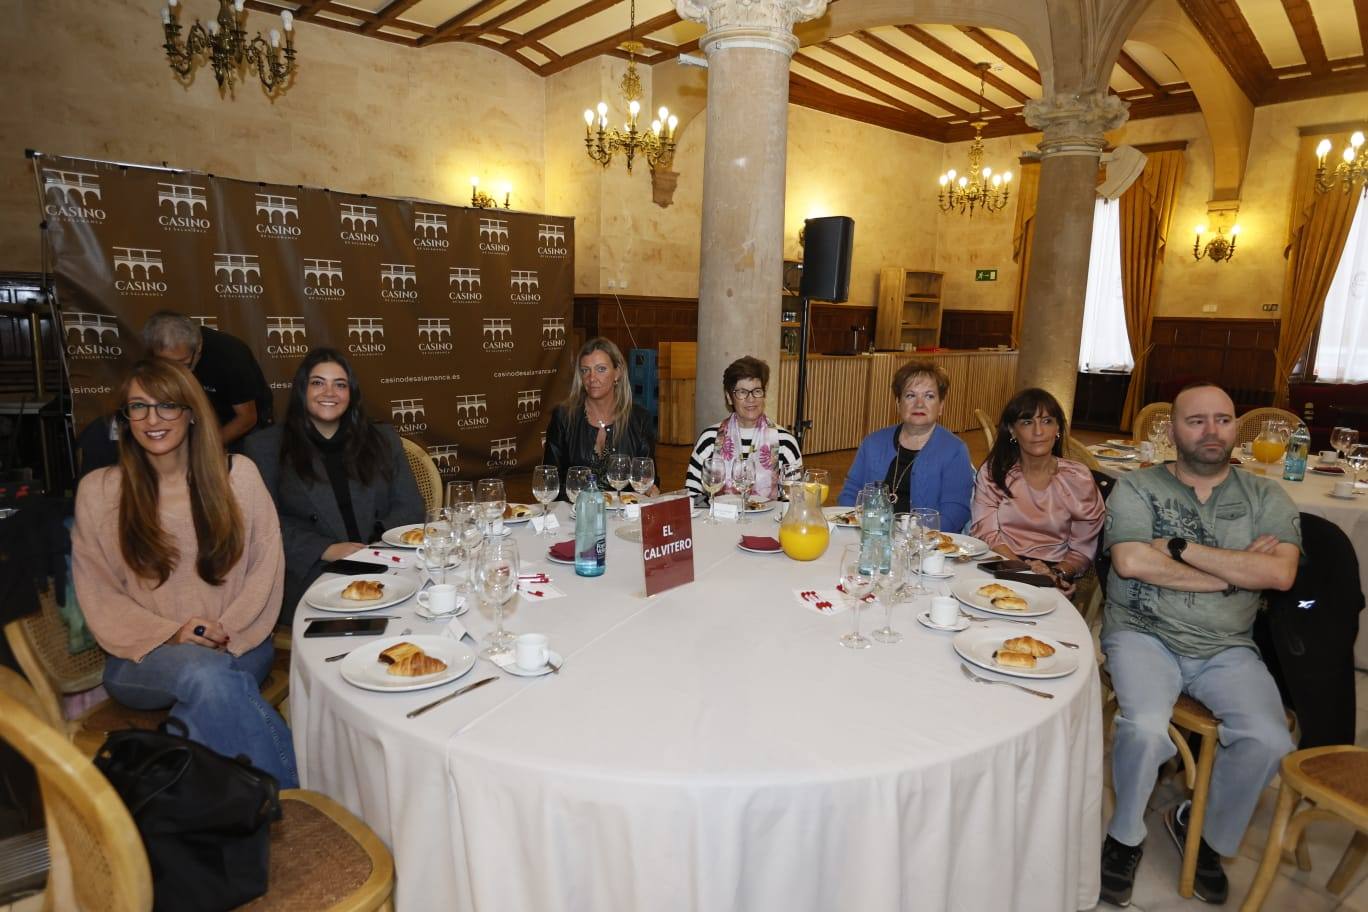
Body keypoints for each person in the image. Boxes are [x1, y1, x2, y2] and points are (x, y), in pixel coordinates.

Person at [1098, 382, 1299, 906]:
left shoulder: (1266, 496)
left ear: (1236, 427)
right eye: (1197, 421)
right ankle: (1124, 836)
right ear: (1173, 431)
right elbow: (1131, 563)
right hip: (1143, 632)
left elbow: (1279, 574)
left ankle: (1199, 829)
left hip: (1228, 646)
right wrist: (1234, 575)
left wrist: (1182, 549)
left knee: (1270, 740)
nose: (1213, 431)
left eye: (1223, 419)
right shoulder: (1138, 487)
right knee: (1142, 727)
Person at [71, 358, 297, 787]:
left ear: (192, 412)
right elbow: (98, 591)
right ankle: (291, 805)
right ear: (125, 419)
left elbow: (266, 565)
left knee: (205, 693)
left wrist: (221, 631)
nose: (152, 419)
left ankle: (205, 823)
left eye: (167, 406)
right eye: (138, 407)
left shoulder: (239, 477)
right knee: (202, 673)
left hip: (240, 642)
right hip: (142, 658)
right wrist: (175, 633)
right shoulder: (99, 491)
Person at [244, 349, 423, 624]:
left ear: (350, 393)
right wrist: (325, 548)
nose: (329, 392)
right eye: (318, 382)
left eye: (340, 384)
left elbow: (410, 506)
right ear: (302, 390)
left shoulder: (382, 439)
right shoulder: (267, 447)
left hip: (388, 560)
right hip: (313, 570)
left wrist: (375, 541)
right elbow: (262, 525)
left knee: (425, 614)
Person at [969, 388, 1104, 598]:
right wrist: (1022, 569)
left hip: (1053, 571)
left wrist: (1056, 573)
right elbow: (986, 533)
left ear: (1058, 428)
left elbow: (1083, 549)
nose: (1038, 431)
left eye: (1047, 421)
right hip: (999, 563)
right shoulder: (995, 473)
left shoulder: (1077, 478)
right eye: (1027, 422)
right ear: (1012, 431)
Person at [838, 359, 974, 531]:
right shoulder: (873, 443)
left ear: (941, 406)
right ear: (898, 404)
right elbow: (850, 494)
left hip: (925, 546)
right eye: (910, 395)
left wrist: (912, 536)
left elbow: (956, 513)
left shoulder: (954, 450)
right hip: (870, 537)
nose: (919, 404)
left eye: (929, 396)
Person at [543, 337, 657, 500]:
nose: (591, 378)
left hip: (623, 513)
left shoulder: (639, 419)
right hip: (575, 515)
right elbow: (549, 479)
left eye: (601, 369)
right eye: (585, 370)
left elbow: (648, 478)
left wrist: (651, 490)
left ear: (617, 373)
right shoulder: (563, 417)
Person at [143, 311, 271, 447]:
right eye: (165, 364)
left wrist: (206, 450)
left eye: (182, 364)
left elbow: (247, 418)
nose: (174, 371)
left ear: (198, 347)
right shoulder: (157, 354)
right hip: (202, 421)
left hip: (240, 425)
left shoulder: (231, 356)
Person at [684, 356, 802, 500]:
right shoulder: (710, 439)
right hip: (719, 521)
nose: (751, 399)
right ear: (729, 397)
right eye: (742, 392)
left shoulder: (785, 442)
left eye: (757, 391)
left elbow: (795, 500)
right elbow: (692, 494)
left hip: (769, 522)